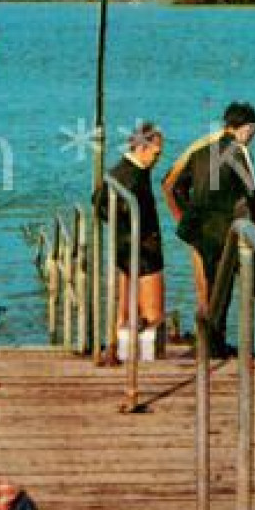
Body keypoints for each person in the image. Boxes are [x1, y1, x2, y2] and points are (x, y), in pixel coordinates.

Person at [165, 102, 255, 367]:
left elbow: (177, 189)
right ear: (245, 128)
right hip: (234, 233)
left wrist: (190, 217)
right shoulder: (238, 153)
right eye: (254, 131)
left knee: (219, 290)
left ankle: (214, 347)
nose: (254, 137)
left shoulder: (201, 153)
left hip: (206, 235)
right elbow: (252, 192)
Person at [95, 122, 166, 356]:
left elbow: (98, 202)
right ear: (142, 148)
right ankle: (139, 357)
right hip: (143, 247)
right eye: (156, 153)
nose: (158, 159)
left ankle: (121, 350)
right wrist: (128, 220)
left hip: (126, 247)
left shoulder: (119, 172)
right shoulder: (132, 176)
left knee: (125, 310)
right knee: (153, 314)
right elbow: (100, 204)